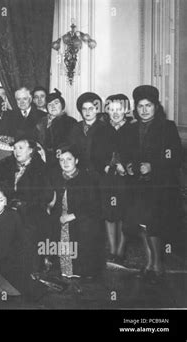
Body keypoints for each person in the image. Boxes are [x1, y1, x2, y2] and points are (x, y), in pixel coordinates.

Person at [126, 85, 183, 280]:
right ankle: (148, 263)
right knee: (141, 225)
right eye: (140, 106)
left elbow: (175, 156)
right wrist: (129, 166)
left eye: (148, 105)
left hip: (160, 186)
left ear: (156, 107)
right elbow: (128, 155)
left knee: (154, 225)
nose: (144, 110)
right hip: (137, 185)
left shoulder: (168, 127)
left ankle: (157, 265)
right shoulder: (132, 128)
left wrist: (153, 166)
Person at [0, 133, 53, 275]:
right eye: (14, 148)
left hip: (31, 210)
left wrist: (25, 204)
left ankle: (30, 269)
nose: (16, 152)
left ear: (31, 150)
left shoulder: (41, 168)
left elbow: (47, 195)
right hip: (7, 208)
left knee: (28, 228)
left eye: (21, 148)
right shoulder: (5, 164)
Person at [48, 144, 104, 279]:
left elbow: (95, 205)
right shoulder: (56, 178)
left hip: (82, 220)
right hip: (60, 219)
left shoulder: (87, 179)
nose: (65, 163)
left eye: (69, 159)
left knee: (85, 232)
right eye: (61, 160)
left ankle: (82, 270)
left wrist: (72, 216)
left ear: (76, 160)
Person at [100, 94, 135, 265]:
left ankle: (121, 250)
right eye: (111, 109)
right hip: (108, 177)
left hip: (124, 178)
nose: (115, 113)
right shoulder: (103, 129)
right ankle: (112, 250)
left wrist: (125, 165)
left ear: (126, 110)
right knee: (109, 213)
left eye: (119, 109)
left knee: (122, 213)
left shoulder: (132, 129)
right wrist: (105, 165)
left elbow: (137, 151)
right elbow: (95, 153)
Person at [68, 92, 114, 178]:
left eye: (91, 109)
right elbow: (71, 148)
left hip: (100, 174)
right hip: (79, 173)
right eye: (84, 109)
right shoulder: (75, 128)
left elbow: (110, 152)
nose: (87, 112)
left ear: (97, 110)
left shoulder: (106, 128)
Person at [35, 89, 77, 170]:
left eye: (56, 103)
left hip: (60, 162)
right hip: (41, 161)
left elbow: (71, 143)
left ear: (62, 105)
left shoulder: (70, 122)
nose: (53, 106)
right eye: (49, 104)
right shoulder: (40, 122)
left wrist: (61, 150)